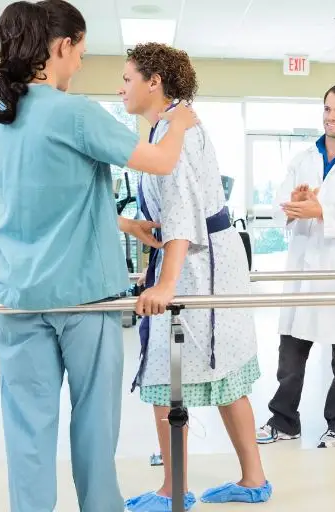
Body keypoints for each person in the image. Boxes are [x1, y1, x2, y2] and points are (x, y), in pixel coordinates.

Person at [0, 2, 198, 511]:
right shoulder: (73, 112)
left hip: (17, 297)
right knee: (94, 425)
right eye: (80, 52)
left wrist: (121, 222)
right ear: (61, 47)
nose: (80, 64)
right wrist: (180, 122)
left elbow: (43, 198)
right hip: (84, 297)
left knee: (27, 428)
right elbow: (161, 162)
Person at [119, 42, 272, 511]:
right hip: (203, 259)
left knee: (167, 377)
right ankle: (252, 480)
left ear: (154, 82)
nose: (121, 87)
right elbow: (172, 209)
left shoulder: (176, 131)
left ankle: (174, 488)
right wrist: (139, 232)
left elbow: (183, 213)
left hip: (198, 265)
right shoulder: (170, 126)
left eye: (127, 78)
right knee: (223, 373)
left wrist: (165, 284)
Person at [256, 82, 335, 449]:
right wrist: (295, 202)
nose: (332, 117)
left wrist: (321, 211)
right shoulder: (303, 158)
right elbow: (279, 203)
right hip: (304, 265)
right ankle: (284, 421)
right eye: (328, 109)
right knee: (291, 350)